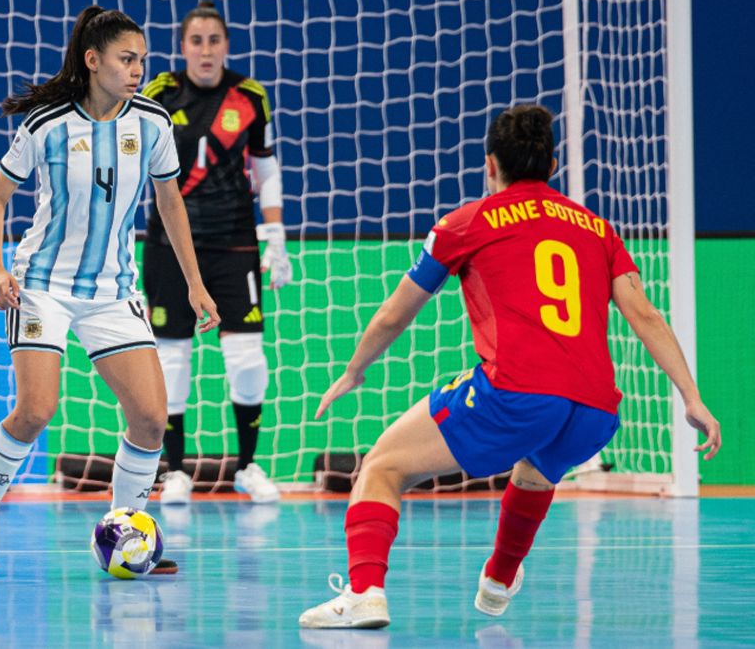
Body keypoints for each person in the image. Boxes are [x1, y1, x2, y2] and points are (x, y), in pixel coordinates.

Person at [298, 104, 721, 628]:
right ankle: (499, 577)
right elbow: (645, 314)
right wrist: (692, 397)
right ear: (553, 164)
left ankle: (363, 594)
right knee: (537, 469)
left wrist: (356, 369)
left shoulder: (467, 222)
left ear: (490, 164)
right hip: (595, 410)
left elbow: (394, 314)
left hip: (515, 394)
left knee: (382, 466)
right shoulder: (597, 228)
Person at [0, 6, 221, 574]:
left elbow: (170, 203)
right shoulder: (47, 124)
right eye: (127, 59)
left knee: (151, 418)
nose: (137, 70)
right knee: (35, 409)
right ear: (93, 60)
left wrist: (196, 285)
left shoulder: (152, 122)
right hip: (43, 285)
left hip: (112, 289)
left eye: (143, 60)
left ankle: (126, 532)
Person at [140, 1, 291, 505]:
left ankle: (248, 466)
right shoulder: (159, 94)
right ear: (182, 48)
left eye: (214, 40)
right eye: (196, 41)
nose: (205, 50)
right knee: (172, 358)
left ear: (226, 46)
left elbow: (265, 169)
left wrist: (276, 239)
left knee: (247, 359)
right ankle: (176, 471)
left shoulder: (249, 96)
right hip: (169, 247)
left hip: (234, 243)